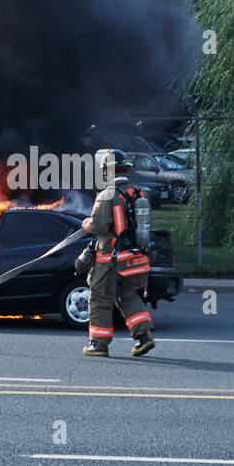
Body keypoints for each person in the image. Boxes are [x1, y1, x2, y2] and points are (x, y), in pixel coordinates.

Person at [81, 149, 154, 358]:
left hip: (110, 260)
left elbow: (98, 224)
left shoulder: (107, 195)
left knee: (100, 299)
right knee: (129, 296)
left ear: (108, 171)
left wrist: (85, 223)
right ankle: (144, 337)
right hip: (136, 258)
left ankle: (99, 344)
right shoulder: (138, 193)